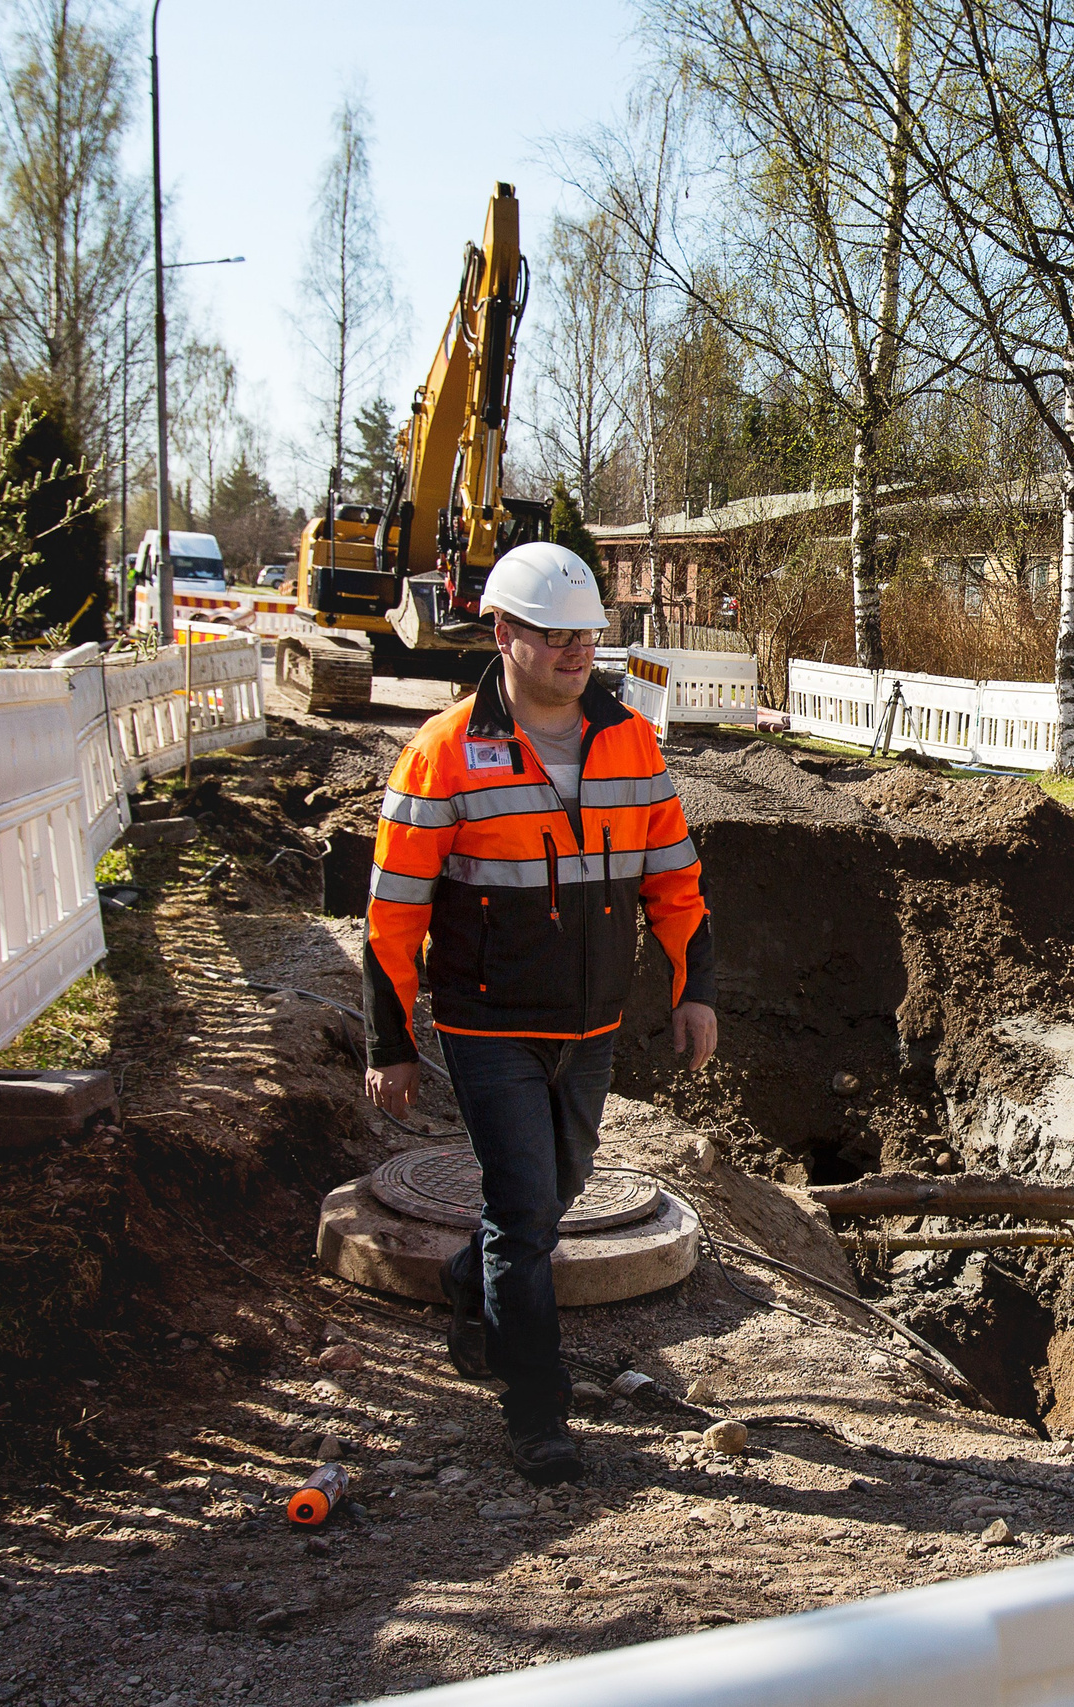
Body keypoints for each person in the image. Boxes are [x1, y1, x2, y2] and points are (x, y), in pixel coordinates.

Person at [363, 541, 719, 1483]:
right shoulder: (442, 754)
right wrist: (392, 1037)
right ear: (503, 631)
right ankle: (536, 1408)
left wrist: (695, 989)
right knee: (525, 1213)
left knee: (555, 1190)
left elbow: (676, 883)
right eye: (554, 635)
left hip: (591, 1023)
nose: (575, 653)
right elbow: (393, 912)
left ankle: (467, 1284)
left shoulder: (632, 741)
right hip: (488, 1023)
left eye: (587, 636)